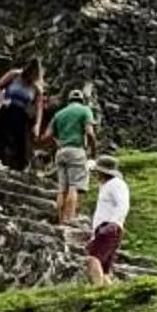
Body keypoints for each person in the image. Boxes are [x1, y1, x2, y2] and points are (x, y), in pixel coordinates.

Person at [48, 90, 101, 230]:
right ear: (82, 100)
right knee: (74, 186)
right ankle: (70, 219)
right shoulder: (85, 110)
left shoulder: (59, 114)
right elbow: (90, 133)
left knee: (62, 188)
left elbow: (48, 135)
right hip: (76, 150)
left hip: (61, 151)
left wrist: (58, 143)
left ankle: (61, 219)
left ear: (69, 101)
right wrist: (94, 151)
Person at [85, 158, 130, 282]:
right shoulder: (106, 186)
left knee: (92, 259)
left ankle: (97, 291)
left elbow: (123, 205)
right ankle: (106, 291)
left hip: (109, 227)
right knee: (104, 269)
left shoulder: (116, 184)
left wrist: (113, 223)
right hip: (104, 228)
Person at [0, 60, 40, 173]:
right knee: (3, 135)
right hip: (7, 107)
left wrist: (37, 124)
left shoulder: (36, 87)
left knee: (21, 141)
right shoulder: (14, 75)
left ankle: (20, 167)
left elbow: (39, 107)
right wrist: (2, 100)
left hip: (22, 113)